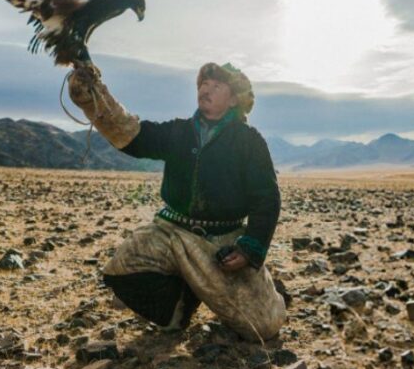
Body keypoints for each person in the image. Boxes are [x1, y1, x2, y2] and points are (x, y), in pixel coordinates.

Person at [67, 61, 287, 340]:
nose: (205, 90)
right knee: (122, 269)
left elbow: (266, 198)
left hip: (222, 243)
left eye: (216, 86)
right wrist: (94, 97)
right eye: (203, 85)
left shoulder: (249, 141)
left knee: (264, 327)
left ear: (234, 99)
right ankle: (179, 307)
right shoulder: (179, 132)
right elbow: (133, 134)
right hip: (170, 232)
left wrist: (248, 249)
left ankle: (270, 291)